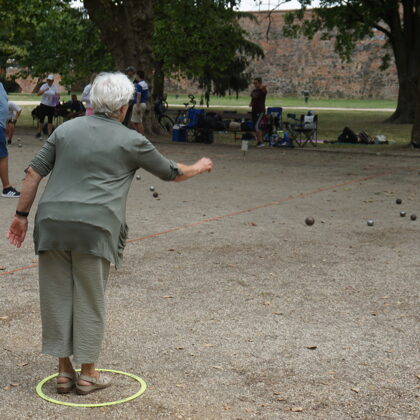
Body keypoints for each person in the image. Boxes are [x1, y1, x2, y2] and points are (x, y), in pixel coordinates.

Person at [7, 72, 212, 396]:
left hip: (52, 223)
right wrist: (199, 166)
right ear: (123, 107)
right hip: (95, 228)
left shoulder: (65, 129)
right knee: (89, 297)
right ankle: (88, 374)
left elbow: (33, 173)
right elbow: (171, 172)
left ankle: (64, 372)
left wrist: (20, 216)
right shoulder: (131, 139)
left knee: (57, 295)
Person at [0, 66, 20, 198]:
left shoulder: (0, 85)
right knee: (2, 156)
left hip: (1, 125)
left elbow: (3, 106)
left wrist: (6, 123)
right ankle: (7, 188)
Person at [35, 74, 60, 139]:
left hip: (51, 106)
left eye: (50, 80)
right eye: (48, 80)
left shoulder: (55, 87)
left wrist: (56, 97)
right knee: (41, 119)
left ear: (53, 81)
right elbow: (38, 94)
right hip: (44, 104)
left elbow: (58, 96)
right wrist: (44, 91)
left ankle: (49, 133)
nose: (49, 81)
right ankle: (39, 132)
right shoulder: (44, 86)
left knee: (50, 120)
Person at [249, 77, 267, 148]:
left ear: (259, 83)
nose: (255, 84)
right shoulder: (254, 91)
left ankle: (261, 142)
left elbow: (264, 90)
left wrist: (262, 87)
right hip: (254, 110)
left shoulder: (262, 90)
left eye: (256, 83)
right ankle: (259, 141)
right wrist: (251, 103)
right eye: (254, 83)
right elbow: (253, 98)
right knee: (255, 126)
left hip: (260, 111)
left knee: (257, 126)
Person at [131, 70, 149, 134]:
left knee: (137, 122)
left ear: (138, 76)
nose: (135, 76)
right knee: (137, 121)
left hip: (138, 104)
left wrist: (138, 107)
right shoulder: (145, 84)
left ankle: (141, 136)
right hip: (143, 103)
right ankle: (139, 135)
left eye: (136, 75)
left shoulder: (139, 85)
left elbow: (138, 96)